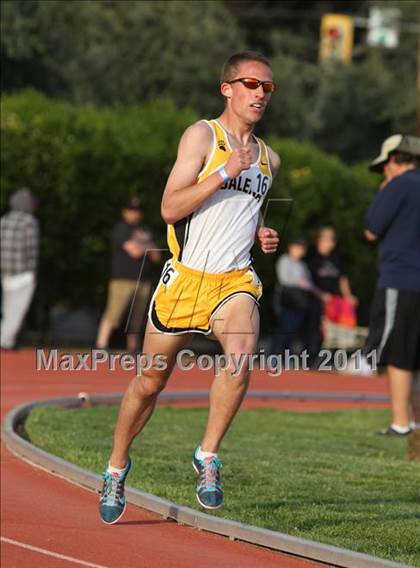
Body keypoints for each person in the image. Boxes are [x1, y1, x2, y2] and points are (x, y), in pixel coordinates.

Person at [99, 51, 280, 524]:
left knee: (240, 359)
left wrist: (261, 232)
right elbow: (170, 208)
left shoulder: (269, 158)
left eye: (267, 87)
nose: (260, 93)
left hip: (234, 281)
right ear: (227, 88)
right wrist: (224, 170)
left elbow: (247, 209)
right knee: (149, 383)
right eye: (251, 84)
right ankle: (117, 466)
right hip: (185, 280)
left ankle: (208, 455)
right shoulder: (203, 136)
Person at [364, 134, 420, 436]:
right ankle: (415, 421)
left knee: (398, 354)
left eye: (384, 166)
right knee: (416, 356)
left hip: (401, 278)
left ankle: (401, 424)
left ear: (394, 160)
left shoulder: (397, 185)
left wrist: (384, 191)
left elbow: (372, 230)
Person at [96, 197, 161, 352]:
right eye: (132, 210)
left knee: (137, 319)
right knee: (113, 314)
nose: (135, 214)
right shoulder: (121, 229)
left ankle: (133, 348)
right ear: (125, 212)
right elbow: (135, 251)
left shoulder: (146, 229)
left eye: (137, 210)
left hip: (143, 280)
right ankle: (100, 346)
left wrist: (144, 248)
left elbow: (157, 256)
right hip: (122, 279)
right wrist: (147, 247)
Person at [304, 227, 357, 363]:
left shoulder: (336, 258)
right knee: (315, 328)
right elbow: (305, 280)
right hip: (316, 299)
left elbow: (342, 278)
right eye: (327, 239)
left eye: (332, 239)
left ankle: (331, 360)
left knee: (337, 331)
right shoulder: (311, 256)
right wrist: (320, 294)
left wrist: (348, 296)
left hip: (334, 301)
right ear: (319, 240)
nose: (330, 242)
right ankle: (310, 359)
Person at [1, 188, 39, 350]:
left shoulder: (4, 219)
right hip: (23, 272)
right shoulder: (29, 222)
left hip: (6, 270)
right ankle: (5, 341)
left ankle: (6, 338)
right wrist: (33, 270)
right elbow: (31, 248)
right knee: (18, 309)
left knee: (8, 307)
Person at [271, 236, 315, 354]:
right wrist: (299, 282)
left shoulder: (302, 265)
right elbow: (284, 279)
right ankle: (274, 355)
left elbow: (309, 283)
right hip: (286, 301)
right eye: (298, 248)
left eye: (302, 248)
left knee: (293, 330)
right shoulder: (285, 260)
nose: (301, 251)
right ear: (291, 247)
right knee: (284, 328)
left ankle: (285, 356)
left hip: (299, 302)